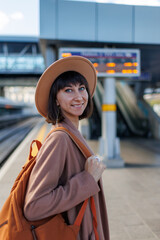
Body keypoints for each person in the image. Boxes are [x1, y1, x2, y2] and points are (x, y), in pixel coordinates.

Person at [24, 56, 110, 240]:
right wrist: (87, 179)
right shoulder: (60, 139)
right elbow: (34, 206)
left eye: (82, 88)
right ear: (55, 100)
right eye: (68, 90)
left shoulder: (72, 134)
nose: (79, 97)